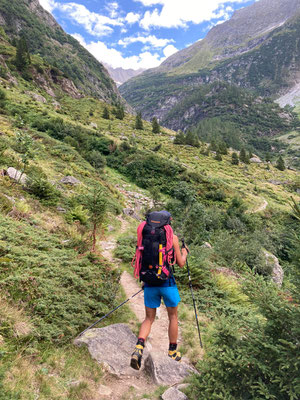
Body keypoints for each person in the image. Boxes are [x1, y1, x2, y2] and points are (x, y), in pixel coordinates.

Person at [130, 211, 188, 370]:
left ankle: (138, 348)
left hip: (149, 281)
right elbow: (181, 263)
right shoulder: (172, 237)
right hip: (167, 282)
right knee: (173, 316)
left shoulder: (144, 233)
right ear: (167, 222)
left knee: (148, 318)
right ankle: (172, 352)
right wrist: (184, 252)